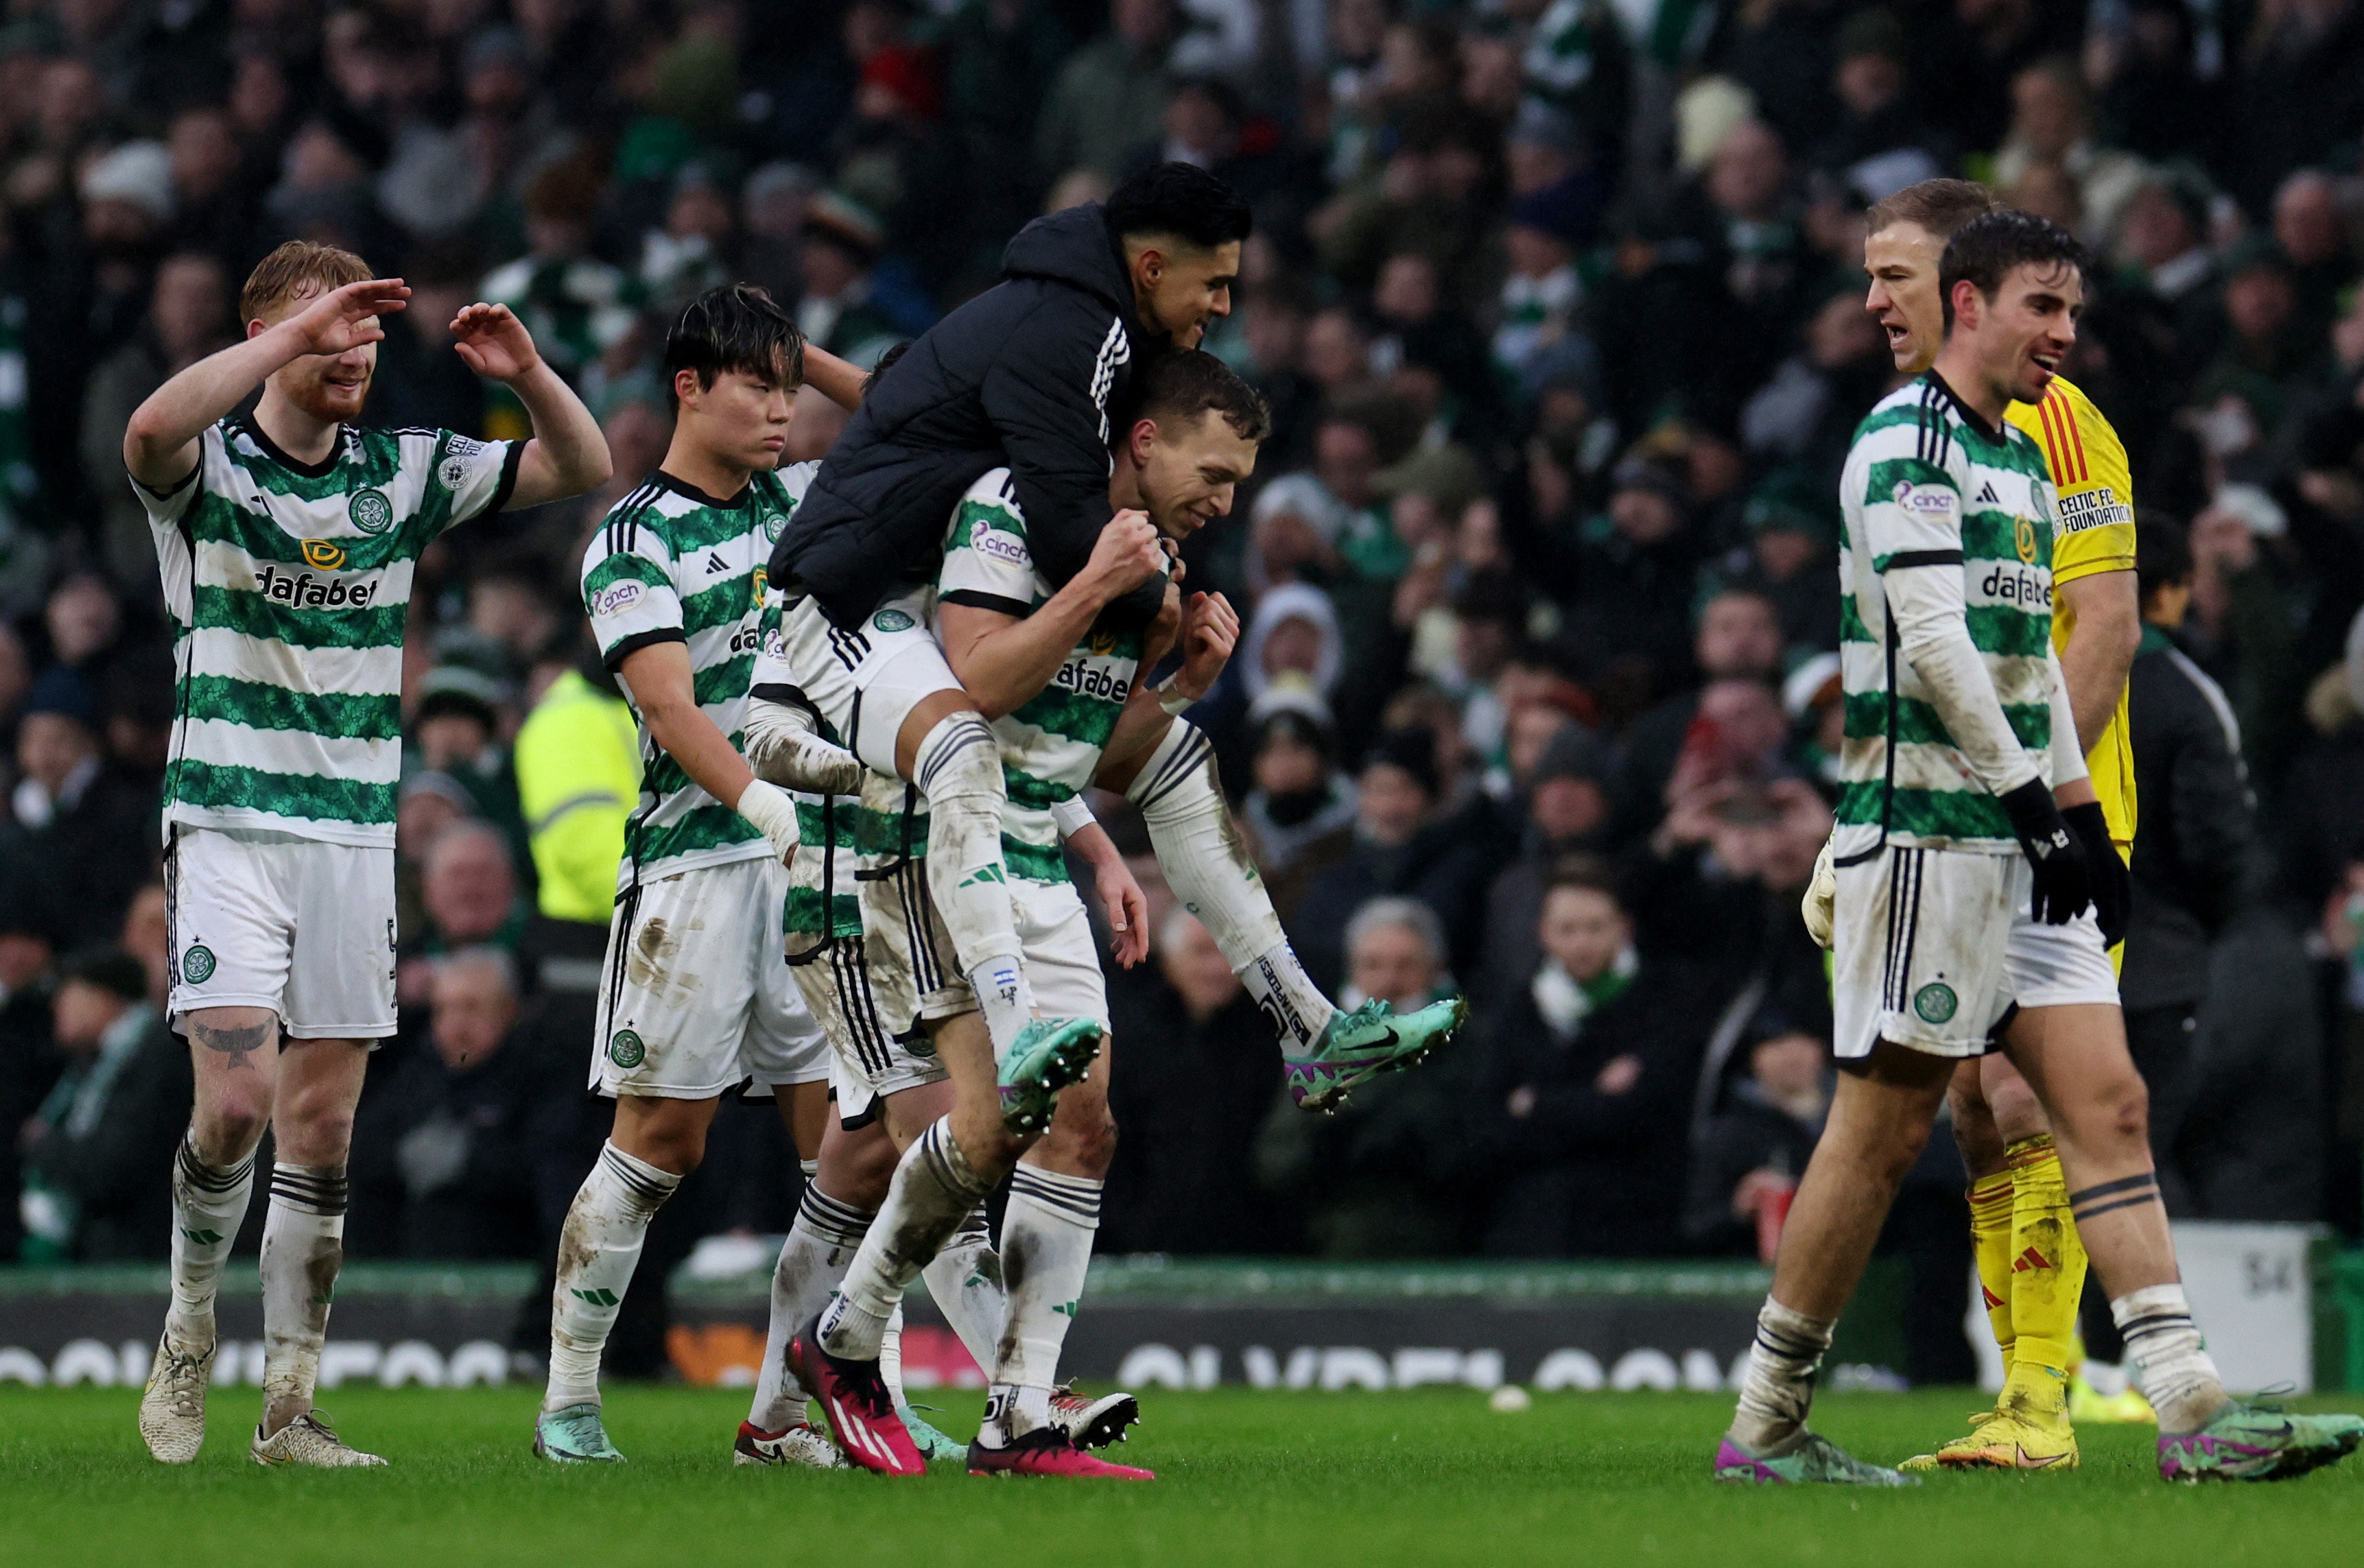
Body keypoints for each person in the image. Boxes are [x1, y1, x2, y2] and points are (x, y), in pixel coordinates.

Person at [1723, 211, 2362, 1487]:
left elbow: (2028, 670)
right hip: (1930, 838)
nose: (2067, 335)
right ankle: (1767, 1424)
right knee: (1885, 1130)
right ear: (1971, 303)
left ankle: (2191, 1410)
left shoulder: (2021, 458)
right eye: (2044, 308)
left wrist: (2076, 811)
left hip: (2024, 838)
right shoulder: (1897, 446)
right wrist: (2033, 804)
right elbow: (1937, 648)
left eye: (2073, 311)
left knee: (2106, 1108)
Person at [122, 239, 610, 1469]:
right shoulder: (211, 468)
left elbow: (584, 466)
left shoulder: (404, 472)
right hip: (228, 820)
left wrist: (530, 370)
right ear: (273, 337)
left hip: (352, 836)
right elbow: (143, 429)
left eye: (369, 335)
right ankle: (189, 1323)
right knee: (233, 1106)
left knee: (323, 1132)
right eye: (332, 329)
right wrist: (290, 335)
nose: (356, 351)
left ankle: (289, 1409)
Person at [753, 163, 1250, 1108]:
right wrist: (1155, 595)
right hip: (852, 606)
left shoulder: (1056, 314)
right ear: (1149, 266)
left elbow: (908, 392)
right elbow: (1069, 530)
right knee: (964, 743)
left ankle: (1295, 1007)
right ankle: (1016, 1018)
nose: (1223, 304)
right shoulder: (1081, 330)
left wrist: (1105, 840)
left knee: (994, 1138)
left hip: (906, 620)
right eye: (1214, 282)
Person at [532, 286, 869, 1464]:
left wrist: (796, 347)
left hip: (812, 871)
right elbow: (668, 705)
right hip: (695, 872)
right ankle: (569, 1400)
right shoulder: (630, 539)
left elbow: (931, 426)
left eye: (789, 388)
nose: (783, 411)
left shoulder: (802, 497)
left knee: (848, 1142)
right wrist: (765, 801)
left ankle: (792, 1410)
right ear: (688, 387)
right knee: (662, 1142)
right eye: (758, 386)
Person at [1852, 178, 2153, 1462]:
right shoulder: (1908, 431)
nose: (1874, 303)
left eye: (1896, 278)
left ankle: (2045, 1402)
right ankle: (2025, 1386)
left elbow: (2105, 633)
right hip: (1950, 814)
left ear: (1959, 288)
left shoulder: (2060, 423)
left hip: (2061, 811)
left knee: (2029, 1098)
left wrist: (2050, 811)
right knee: (1969, 1106)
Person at [19, 948, 188, 1261]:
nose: (57, 1006)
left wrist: (44, 1145)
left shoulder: (156, 1056)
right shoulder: (93, 1064)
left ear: (103, 997)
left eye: (67, 993)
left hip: (144, 1256)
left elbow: (112, 1167)